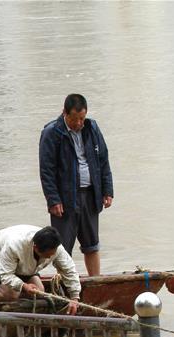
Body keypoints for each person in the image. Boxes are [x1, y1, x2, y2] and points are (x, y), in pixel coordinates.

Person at [39, 93, 113, 276]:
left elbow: (103, 160)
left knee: (92, 245)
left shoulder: (92, 128)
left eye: (82, 118)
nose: (79, 123)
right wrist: (53, 200)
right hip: (65, 199)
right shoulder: (52, 133)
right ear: (64, 113)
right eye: (75, 119)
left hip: (90, 195)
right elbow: (46, 170)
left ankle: (96, 283)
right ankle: (64, 287)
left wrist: (107, 190)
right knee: (62, 249)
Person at [0, 225, 81, 315]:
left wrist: (75, 297)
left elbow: (69, 270)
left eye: (52, 254)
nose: (50, 257)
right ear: (36, 248)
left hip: (26, 263)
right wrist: (24, 286)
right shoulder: (14, 246)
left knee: (39, 291)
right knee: (12, 293)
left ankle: (20, 312)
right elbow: (5, 275)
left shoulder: (57, 249)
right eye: (47, 255)